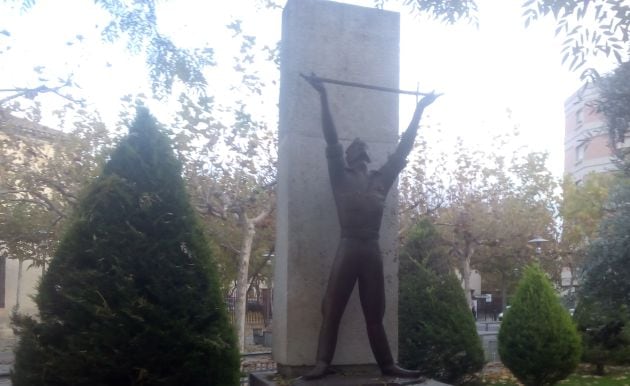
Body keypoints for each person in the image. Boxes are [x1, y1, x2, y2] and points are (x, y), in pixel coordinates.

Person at [302, 73, 438, 379]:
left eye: (361, 147)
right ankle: (322, 362)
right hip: (348, 247)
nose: (359, 147)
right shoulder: (340, 175)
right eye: (354, 147)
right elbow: (331, 137)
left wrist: (419, 111)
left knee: (375, 313)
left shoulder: (381, 179)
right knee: (332, 310)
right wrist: (323, 95)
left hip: (371, 249)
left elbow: (404, 149)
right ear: (349, 156)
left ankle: (387, 365)